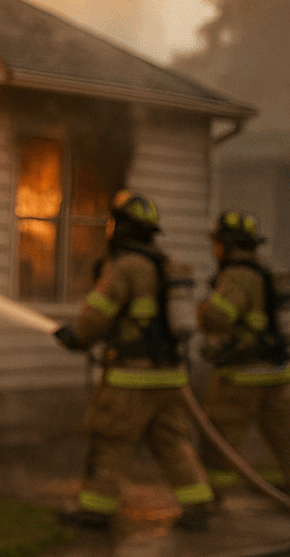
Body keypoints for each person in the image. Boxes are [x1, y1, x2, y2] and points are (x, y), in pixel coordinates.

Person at [53, 190, 214, 530]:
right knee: (174, 443)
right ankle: (198, 505)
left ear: (120, 228)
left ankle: (95, 511)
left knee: (110, 442)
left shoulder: (125, 267)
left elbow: (97, 317)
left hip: (131, 379)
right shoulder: (167, 265)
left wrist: (77, 337)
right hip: (170, 378)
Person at [197, 210, 290, 492]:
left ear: (225, 244)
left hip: (241, 377)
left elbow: (217, 318)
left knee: (220, 442)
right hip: (278, 375)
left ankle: (212, 497)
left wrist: (203, 308)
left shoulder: (236, 276)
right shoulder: (269, 274)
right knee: (285, 438)